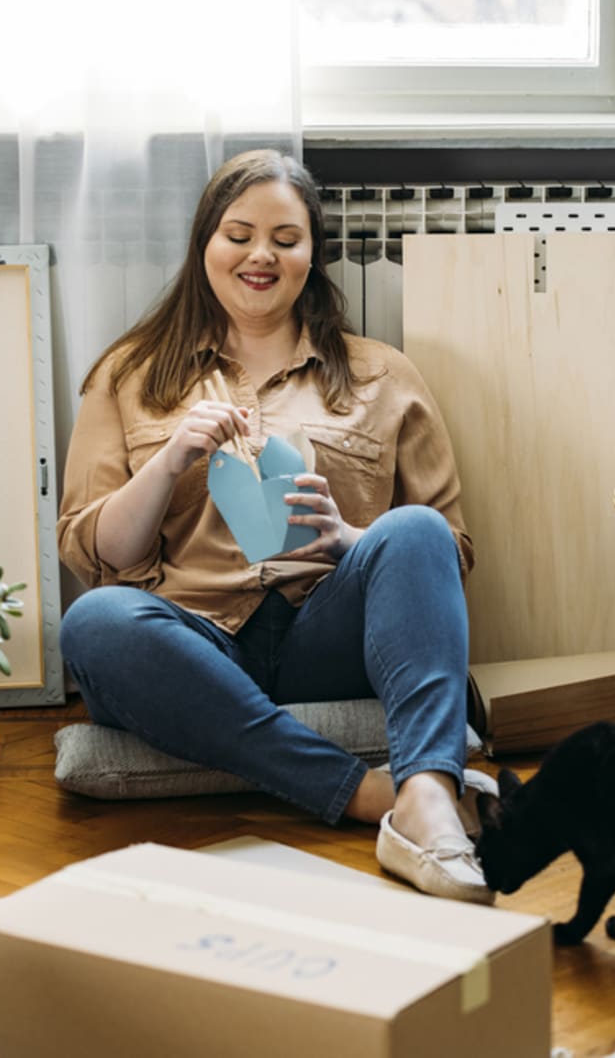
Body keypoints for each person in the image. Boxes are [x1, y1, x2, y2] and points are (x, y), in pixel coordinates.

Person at [56, 149, 490, 902]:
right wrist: (171, 461)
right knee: (95, 621)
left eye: (286, 239)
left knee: (413, 528)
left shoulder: (383, 375)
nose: (261, 255)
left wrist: (351, 541)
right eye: (239, 233)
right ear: (205, 246)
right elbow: (95, 555)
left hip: (329, 633)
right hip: (192, 645)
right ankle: (364, 794)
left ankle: (422, 797)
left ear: (312, 255)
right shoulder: (126, 374)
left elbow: (447, 553)